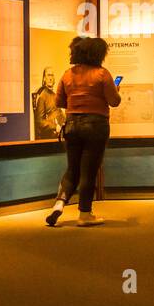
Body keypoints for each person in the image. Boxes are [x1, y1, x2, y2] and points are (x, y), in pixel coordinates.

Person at [44, 36, 120, 227]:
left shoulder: (67, 74)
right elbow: (114, 101)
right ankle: (85, 214)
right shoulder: (102, 74)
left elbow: (59, 102)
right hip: (96, 126)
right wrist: (116, 89)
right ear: (98, 53)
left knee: (72, 170)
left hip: (71, 125)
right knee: (89, 171)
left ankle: (59, 205)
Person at [31, 66, 64, 138]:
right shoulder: (42, 96)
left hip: (60, 133)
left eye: (52, 75)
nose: (50, 78)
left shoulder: (54, 95)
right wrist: (55, 127)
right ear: (44, 79)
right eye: (48, 75)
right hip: (50, 135)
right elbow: (40, 121)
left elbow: (58, 112)